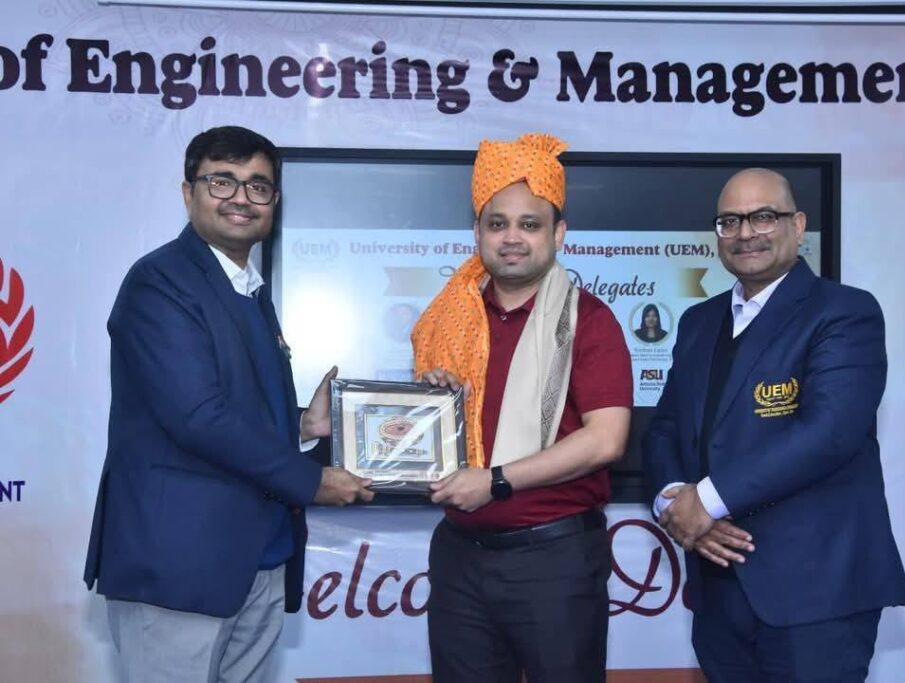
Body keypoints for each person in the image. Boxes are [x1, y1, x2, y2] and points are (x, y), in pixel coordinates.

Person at [83, 125, 374, 683]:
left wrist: (303, 425)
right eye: (222, 181)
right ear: (188, 192)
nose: (241, 197)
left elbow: (231, 406)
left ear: (274, 202)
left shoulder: (247, 287)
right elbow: (197, 417)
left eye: (258, 186)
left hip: (258, 559)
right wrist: (312, 481)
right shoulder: (159, 283)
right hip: (180, 566)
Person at [643, 168, 905, 682]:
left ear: (798, 225)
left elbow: (829, 433)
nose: (745, 233)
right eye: (730, 221)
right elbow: (665, 428)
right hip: (718, 590)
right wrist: (673, 500)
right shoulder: (699, 322)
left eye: (763, 216)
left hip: (815, 592)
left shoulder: (844, 312)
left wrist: (706, 502)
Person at [411, 133, 633, 683]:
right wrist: (435, 402)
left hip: (553, 563)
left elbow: (606, 440)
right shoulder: (451, 321)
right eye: (497, 223)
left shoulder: (589, 321)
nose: (511, 238)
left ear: (558, 234)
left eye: (529, 224)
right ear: (477, 234)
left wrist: (497, 481)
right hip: (460, 555)